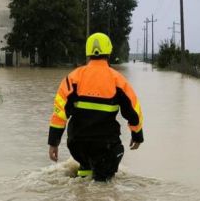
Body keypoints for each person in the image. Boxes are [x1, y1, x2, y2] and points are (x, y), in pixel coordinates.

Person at [47, 32, 144, 182]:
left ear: (88, 53)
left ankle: (82, 186)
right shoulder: (118, 80)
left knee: (85, 170)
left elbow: (59, 113)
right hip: (105, 144)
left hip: (77, 143)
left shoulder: (72, 78)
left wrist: (53, 142)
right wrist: (137, 135)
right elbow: (133, 111)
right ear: (109, 52)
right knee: (103, 181)